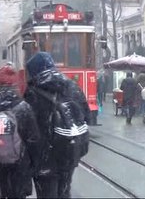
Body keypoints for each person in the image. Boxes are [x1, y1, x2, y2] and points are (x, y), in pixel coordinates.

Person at [24, 52, 90, 198]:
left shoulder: (33, 92)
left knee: (48, 194)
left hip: (44, 159)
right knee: (65, 191)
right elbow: (86, 116)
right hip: (69, 153)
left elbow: (28, 128)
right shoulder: (72, 86)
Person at [0, 65, 40, 198]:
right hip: (18, 168)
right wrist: (33, 166)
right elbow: (33, 140)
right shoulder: (23, 107)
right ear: (15, 85)